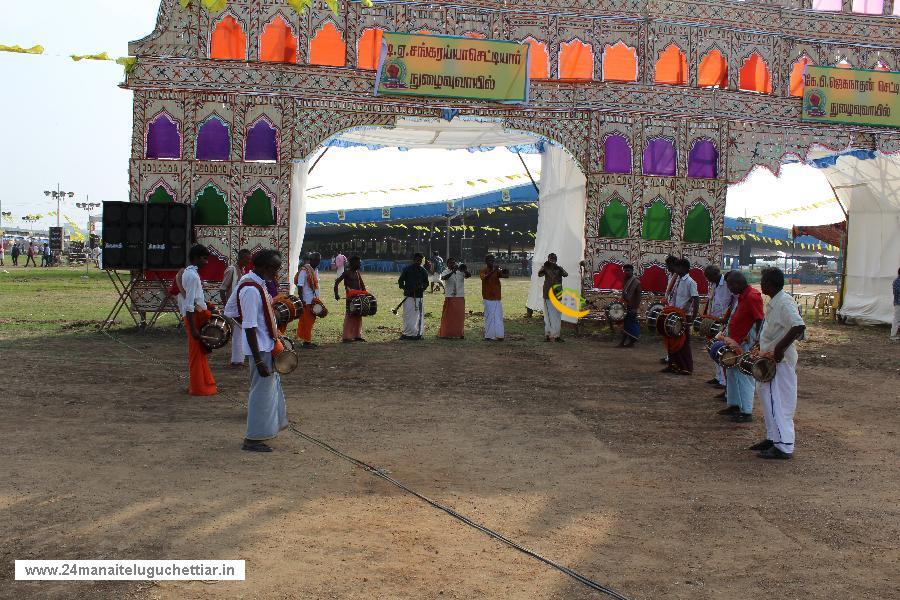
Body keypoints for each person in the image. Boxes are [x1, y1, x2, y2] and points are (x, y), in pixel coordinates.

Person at [225, 249, 288, 453]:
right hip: (259, 349)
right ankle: (253, 438)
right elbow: (250, 326)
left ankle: (267, 429)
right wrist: (259, 361)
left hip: (266, 345)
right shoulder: (251, 289)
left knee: (269, 391)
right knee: (261, 394)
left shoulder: (254, 281)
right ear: (262, 267)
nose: (276, 273)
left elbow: (231, 310)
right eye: (274, 268)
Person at [753, 267, 806, 460]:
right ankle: (773, 437)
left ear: (772, 284)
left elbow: (798, 326)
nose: (761, 284)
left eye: (764, 281)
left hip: (780, 362)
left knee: (779, 402)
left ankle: (784, 445)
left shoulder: (784, 302)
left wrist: (778, 350)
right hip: (770, 360)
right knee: (767, 399)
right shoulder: (775, 302)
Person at [716, 272, 765, 422]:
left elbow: (760, 320)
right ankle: (734, 405)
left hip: (745, 344)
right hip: (734, 342)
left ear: (738, 283)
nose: (729, 288)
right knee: (732, 373)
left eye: (731, 285)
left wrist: (755, 343)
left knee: (744, 375)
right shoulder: (742, 296)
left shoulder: (752, 296)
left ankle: (746, 411)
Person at [176, 244, 217, 397]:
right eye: (204, 258)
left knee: (200, 354)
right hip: (195, 318)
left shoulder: (189, 273)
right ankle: (199, 387)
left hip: (197, 315)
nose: (206, 262)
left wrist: (208, 306)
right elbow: (189, 303)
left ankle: (202, 385)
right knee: (196, 355)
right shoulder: (192, 276)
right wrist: (193, 329)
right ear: (195, 258)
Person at [663, 259, 699, 375]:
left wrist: (693, 317)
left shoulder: (690, 282)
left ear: (683, 268)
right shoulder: (676, 280)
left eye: (677, 267)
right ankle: (673, 365)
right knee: (671, 340)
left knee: (683, 343)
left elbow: (696, 299)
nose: (675, 270)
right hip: (674, 314)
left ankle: (686, 367)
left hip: (684, 315)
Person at [220, 249, 252, 368]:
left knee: (240, 334)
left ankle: (238, 360)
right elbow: (223, 289)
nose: (248, 262)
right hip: (233, 308)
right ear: (240, 258)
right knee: (238, 334)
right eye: (247, 259)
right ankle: (236, 361)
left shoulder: (242, 271)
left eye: (249, 259)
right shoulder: (231, 270)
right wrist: (227, 306)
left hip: (240, 307)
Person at [704, 265, 734, 389]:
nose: (709, 280)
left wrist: (726, 318)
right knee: (713, 348)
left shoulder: (727, 284)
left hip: (722, 321)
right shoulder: (713, 284)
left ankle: (723, 381)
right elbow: (710, 300)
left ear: (716, 275)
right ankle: (718, 377)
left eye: (710, 277)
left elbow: (732, 301)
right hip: (713, 319)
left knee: (721, 350)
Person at [334, 255, 367, 343]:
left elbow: (362, 286)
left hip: (359, 297)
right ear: (354, 263)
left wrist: (365, 294)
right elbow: (337, 282)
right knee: (350, 315)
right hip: (350, 297)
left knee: (358, 315)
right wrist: (336, 294)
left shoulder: (357, 273)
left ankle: (357, 335)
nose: (360, 264)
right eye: (359, 263)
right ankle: (346, 337)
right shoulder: (347, 273)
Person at [398, 253, 429, 340]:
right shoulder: (407, 269)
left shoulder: (423, 271)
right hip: (408, 296)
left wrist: (421, 288)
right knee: (407, 315)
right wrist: (406, 289)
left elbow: (426, 283)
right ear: (413, 260)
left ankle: (417, 334)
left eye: (420, 260)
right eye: (417, 260)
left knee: (418, 316)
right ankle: (406, 333)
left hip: (419, 297)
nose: (418, 262)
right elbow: (400, 281)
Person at [538, 253, 569, 342]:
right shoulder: (547, 268)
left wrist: (555, 267)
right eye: (551, 259)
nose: (552, 261)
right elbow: (539, 274)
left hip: (555, 294)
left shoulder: (558, 268)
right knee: (550, 315)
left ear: (555, 260)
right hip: (550, 294)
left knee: (555, 315)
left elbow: (566, 274)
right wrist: (544, 267)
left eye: (553, 259)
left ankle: (555, 335)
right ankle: (550, 335)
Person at [294, 252, 322, 348]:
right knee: (307, 321)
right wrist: (301, 300)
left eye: (319, 260)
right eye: (316, 260)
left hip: (313, 300)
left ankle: (307, 340)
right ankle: (306, 342)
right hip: (306, 300)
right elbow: (300, 286)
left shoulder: (315, 270)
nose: (318, 262)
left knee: (311, 321)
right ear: (311, 260)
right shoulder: (304, 271)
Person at [438, 258, 469, 339]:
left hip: (460, 296)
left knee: (459, 317)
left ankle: (459, 333)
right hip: (450, 296)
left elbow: (468, 275)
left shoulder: (460, 272)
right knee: (448, 317)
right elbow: (444, 278)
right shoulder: (446, 271)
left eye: (453, 263)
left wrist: (464, 270)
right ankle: (446, 333)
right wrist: (452, 271)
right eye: (450, 263)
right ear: (447, 264)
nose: (452, 264)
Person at [480, 254, 509, 341]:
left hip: (497, 297)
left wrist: (504, 270)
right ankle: (489, 336)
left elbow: (506, 276)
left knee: (498, 316)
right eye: (490, 261)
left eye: (493, 261)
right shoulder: (483, 270)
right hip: (488, 297)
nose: (492, 262)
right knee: (489, 316)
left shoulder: (497, 271)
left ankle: (499, 335)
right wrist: (494, 270)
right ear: (486, 262)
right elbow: (485, 278)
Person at [618, 264, 642, 347]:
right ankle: (623, 342)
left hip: (632, 307)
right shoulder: (625, 280)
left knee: (630, 325)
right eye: (625, 270)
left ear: (632, 271)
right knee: (624, 324)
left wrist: (635, 308)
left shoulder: (636, 282)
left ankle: (631, 342)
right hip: (625, 306)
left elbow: (639, 297)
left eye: (628, 270)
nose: (626, 272)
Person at [891, 267, 900, 341]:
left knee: (897, 319)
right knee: (896, 319)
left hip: (898, 303)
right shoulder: (897, 281)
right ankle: (893, 336)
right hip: (898, 303)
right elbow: (897, 292)